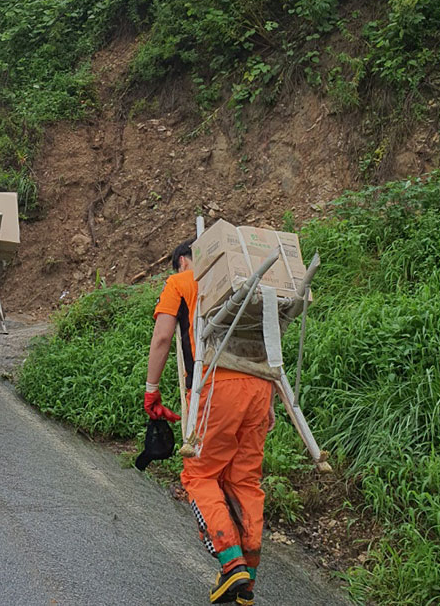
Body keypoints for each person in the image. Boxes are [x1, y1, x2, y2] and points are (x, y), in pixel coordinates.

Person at [143, 241, 275, 606]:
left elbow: (163, 337)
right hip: (261, 387)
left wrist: (151, 390)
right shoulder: (246, 282)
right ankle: (248, 581)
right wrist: (271, 403)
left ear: (183, 260)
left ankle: (232, 565)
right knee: (245, 479)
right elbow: (267, 341)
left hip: (216, 389)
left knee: (199, 476)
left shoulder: (181, 281)